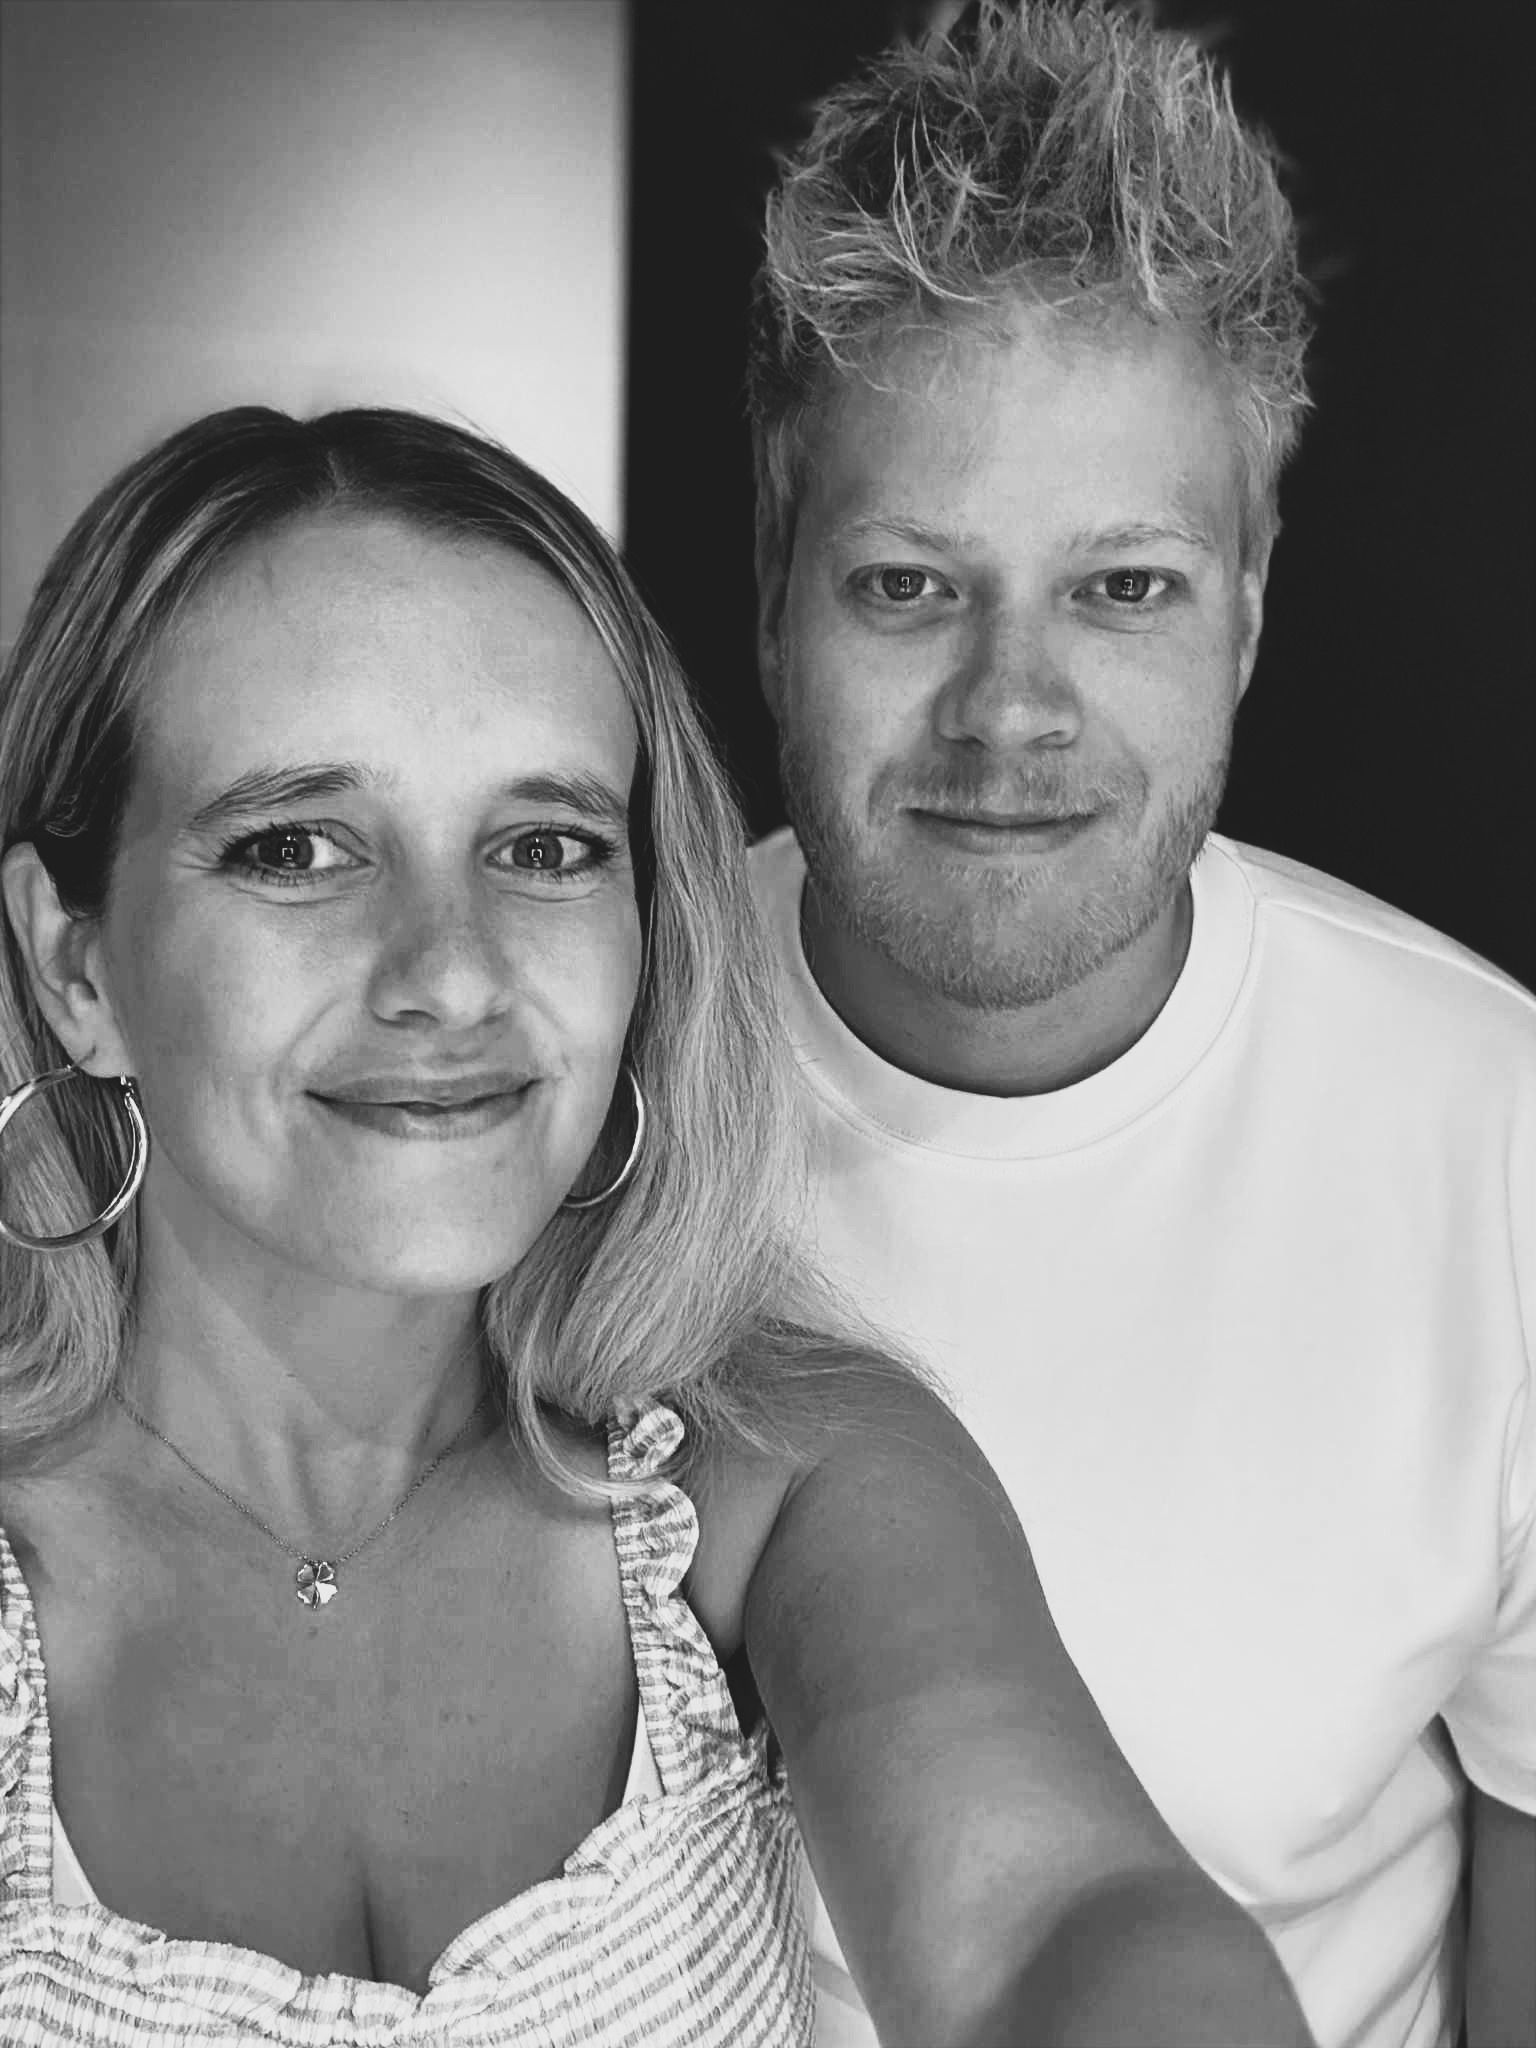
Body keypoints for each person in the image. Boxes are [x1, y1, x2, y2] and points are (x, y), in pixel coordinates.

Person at [0, 405, 1316, 2047]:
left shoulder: (781, 1471)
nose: (453, 972)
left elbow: (1062, 1922)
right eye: (296, 848)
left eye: (544, 846)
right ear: (74, 967)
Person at [743, 4, 1536, 2047]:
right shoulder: (542, 1077)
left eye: (1126, 591)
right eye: (913, 585)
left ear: (1254, 606)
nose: (1011, 713)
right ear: (773, 582)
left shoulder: (1494, 1136)